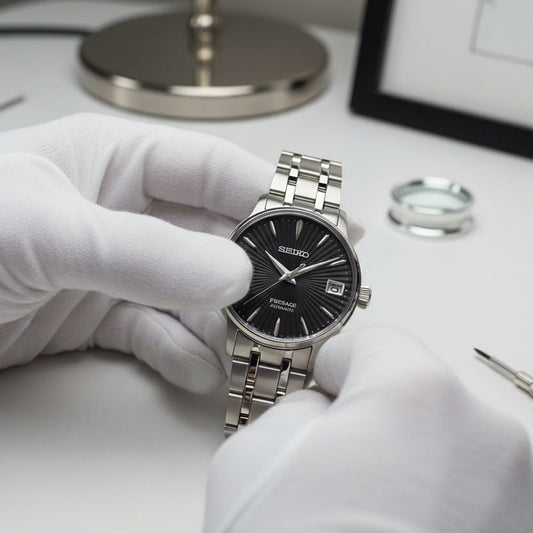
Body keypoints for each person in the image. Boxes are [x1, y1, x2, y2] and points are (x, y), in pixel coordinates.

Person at [0, 114, 531, 532]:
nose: (289, 276)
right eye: (285, 269)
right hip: (255, 319)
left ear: (354, 295)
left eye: (300, 273)